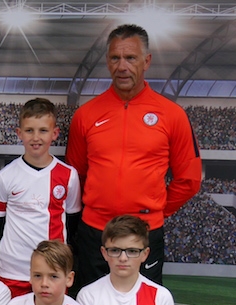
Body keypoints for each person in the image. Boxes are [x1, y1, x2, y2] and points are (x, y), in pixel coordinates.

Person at [65, 24, 202, 288]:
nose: (122, 66)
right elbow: (76, 175)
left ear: (146, 61)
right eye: (115, 58)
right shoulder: (86, 115)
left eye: (130, 58)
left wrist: (154, 210)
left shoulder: (172, 115)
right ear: (107, 62)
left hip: (144, 232)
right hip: (94, 232)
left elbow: (189, 179)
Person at [0, 98, 81, 297]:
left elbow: (72, 222)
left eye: (43, 130)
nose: (36, 137)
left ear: (55, 133)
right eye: (29, 130)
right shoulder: (5, 176)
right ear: (19, 133)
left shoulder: (68, 175)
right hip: (14, 270)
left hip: (53, 269)